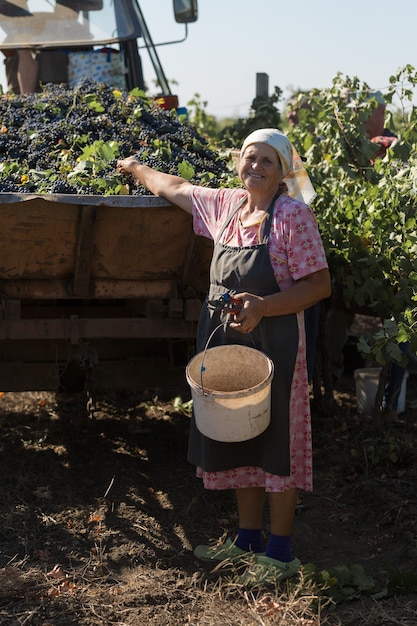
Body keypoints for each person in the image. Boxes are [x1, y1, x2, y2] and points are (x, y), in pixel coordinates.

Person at [117, 128, 331, 586]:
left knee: (277, 441)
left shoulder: (293, 216)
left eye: (266, 162)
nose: (255, 167)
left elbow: (319, 285)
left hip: (275, 346)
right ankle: (247, 541)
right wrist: (135, 168)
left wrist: (264, 306)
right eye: (249, 158)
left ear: (283, 172)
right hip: (226, 342)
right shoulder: (227, 206)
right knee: (239, 433)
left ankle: (281, 553)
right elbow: (174, 187)